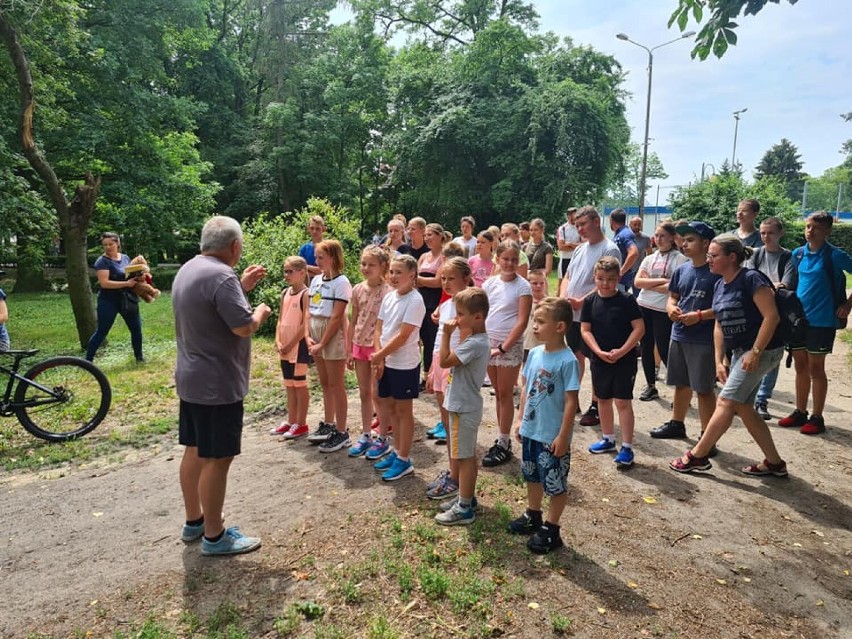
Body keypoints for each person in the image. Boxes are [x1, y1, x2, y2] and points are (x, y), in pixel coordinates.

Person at [174, 215, 272, 555]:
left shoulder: (190, 268)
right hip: (217, 384)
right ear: (234, 246)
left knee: (196, 449)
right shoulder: (221, 276)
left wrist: (240, 288)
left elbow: (212, 308)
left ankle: (195, 522)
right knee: (218, 457)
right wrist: (260, 311)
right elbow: (243, 326)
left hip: (192, 378)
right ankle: (215, 537)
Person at [670, 234, 788, 477]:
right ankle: (775, 463)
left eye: (714, 255)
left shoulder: (751, 279)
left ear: (731, 257)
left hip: (763, 350)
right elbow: (720, 322)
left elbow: (771, 317)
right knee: (743, 407)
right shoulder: (719, 283)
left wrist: (755, 353)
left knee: (725, 401)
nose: (709, 259)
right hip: (740, 351)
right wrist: (718, 360)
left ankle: (697, 456)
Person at [508, 297, 580, 554]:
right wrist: (519, 419)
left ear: (560, 327)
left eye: (540, 322)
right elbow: (526, 387)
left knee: (555, 482)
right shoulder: (536, 353)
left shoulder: (568, 360)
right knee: (532, 474)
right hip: (531, 430)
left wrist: (563, 436)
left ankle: (552, 527)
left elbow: (571, 401)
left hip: (552, 435)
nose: (534, 327)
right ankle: (534, 514)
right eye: (533, 321)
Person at [779, 211, 852, 435]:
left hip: (822, 320)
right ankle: (800, 411)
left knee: (816, 368)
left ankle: (817, 416)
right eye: (808, 226)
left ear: (827, 231)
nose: (810, 231)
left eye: (816, 228)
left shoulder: (834, 255)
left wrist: (848, 305)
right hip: (798, 320)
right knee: (800, 366)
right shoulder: (798, 254)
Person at [649, 221, 719, 442]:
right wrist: (670, 308)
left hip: (704, 339)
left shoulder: (717, 272)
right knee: (681, 383)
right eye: (683, 240)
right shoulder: (682, 270)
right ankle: (677, 424)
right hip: (679, 334)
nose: (684, 244)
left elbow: (723, 307)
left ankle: (707, 435)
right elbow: (673, 296)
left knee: (704, 388)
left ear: (706, 243)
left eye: (690, 240)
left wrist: (699, 316)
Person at [432, 287, 491, 525]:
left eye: (460, 314)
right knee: (465, 456)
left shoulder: (475, 343)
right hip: (462, 403)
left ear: (477, 317)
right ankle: (466, 498)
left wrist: (446, 333)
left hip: (464, 405)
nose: (456, 319)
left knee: (465, 458)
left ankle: (464, 507)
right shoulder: (475, 340)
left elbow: (445, 360)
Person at [558, 206, 621, 426]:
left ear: (596, 222)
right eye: (577, 225)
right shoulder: (579, 249)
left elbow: (606, 284)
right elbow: (567, 275)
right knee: (575, 357)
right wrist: (564, 296)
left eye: (583, 224)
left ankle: (596, 404)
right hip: (572, 313)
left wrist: (582, 301)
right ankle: (572, 399)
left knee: (595, 359)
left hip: (595, 313)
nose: (580, 229)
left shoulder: (609, 249)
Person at [582, 257, 644, 467]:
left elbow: (639, 328)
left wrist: (623, 351)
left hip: (623, 360)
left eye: (610, 279)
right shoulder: (590, 301)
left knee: (623, 402)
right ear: (594, 278)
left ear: (618, 278)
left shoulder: (626, 300)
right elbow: (585, 330)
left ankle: (627, 446)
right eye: (600, 279)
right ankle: (608, 438)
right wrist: (598, 351)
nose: (605, 283)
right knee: (602, 399)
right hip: (600, 359)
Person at [372, 254, 426, 480]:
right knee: (390, 408)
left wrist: (379, 355)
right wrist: (381, 357)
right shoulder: (389, 297)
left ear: (412, 275)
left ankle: (404, 459)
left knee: (404, 412)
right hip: (387, 361)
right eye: (391, 272)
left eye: (399, 272)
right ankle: (396, 451)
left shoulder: (415, 300)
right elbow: (379, 329)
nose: (393, 276)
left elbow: (404, 335)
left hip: (404, 364)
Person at [481, 241, 532, 467]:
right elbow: (482, 313)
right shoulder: (489, 284)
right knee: (498, 392)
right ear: (498, 259)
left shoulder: (523, 287)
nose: (510, 263)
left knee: (505, 393)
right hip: (488, 342)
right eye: (505, 259)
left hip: (508, 345)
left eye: (514, 259)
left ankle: (504, 440)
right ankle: (502, 438)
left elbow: (522, 321)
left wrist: (503, 347)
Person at [746, 216, 796, 419]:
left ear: (780, 234)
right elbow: (748, 280)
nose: (766, 237)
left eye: (771, 233)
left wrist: (764, 287)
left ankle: (762, 400)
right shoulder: (756, 254)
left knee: (771, 357)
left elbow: (787, 284)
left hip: (776, 313)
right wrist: (768, 287)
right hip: (754, 312)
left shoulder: (788, 257)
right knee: (750, 353)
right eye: (763, 233)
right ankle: (747, 398)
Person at [633, 222, 689, 402]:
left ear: (673, 237)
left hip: (663, 310)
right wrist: (663, 282)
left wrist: (653, 283)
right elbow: (637, 282)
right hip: (644, 306)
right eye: (656, 235)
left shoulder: (680, 259)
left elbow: (676, 287)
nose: (658, 239)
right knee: (646, 347)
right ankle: (650, 385)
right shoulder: (649, 258)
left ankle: (680, 388)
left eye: (662, 235)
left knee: (665, 349)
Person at [306, 240, 352, 452]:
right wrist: (308, 336)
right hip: (315, 330)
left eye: (321, 257)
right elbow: (309, 309)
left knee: (336, 383)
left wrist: (323, 342)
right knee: (324, 382)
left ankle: (342, 431)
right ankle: (328, 423)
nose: (317, 261)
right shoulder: (316, 280)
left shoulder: (341, 282)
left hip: (331, 335)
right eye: (316, 257)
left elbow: (336, 317)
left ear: (332, 258)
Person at [346, 246, 391, 457]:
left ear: (383, 266)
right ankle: (366, 434)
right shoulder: (357, 289)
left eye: (371, 264)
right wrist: (349, 349)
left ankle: (383, 436)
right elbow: (353, 319)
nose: (366, 268)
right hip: (358, 345)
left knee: (377, 393)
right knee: (364, 392)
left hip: (377, 349)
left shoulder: (388, 292)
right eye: (363, 263)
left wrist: (381, 354)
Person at [425, 258, 472, 458]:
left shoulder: (468, 305)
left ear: (466, 278)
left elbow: (466, 342)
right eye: (443, 278)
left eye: (451, 278)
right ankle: (453, 458)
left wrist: (454, 365)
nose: (446, 283)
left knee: (455, 414)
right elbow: (438, 339)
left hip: (454, 363)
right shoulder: (445, 306)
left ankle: (460, 458)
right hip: (439, 360)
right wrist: (430, 369)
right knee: (443, 410)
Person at [85, 232, 145, 363]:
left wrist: (138, 277)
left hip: (127, 299)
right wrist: (126, 283)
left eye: (110, 244)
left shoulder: (125, 258)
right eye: (105, 245)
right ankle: (87, 361)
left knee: (136, 329)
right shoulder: (102, 262)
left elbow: (129, 274)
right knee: (102, 331)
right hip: (108, 300)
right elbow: (104, 283)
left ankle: (139, 358)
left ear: (118, 243)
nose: (108, 247)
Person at [269, 257, 311, 438]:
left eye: (290, 271)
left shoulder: (306, 294)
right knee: (289, 385)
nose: (286, 275)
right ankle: (291, 420)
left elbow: (305, 325)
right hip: (284, 347)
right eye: (285, 271)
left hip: (298, 346)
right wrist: (278, 341)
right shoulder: (285, 292)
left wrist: (290, 343)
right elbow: (280, 319)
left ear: (302, 272)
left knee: (300, 384)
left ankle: (301, 423)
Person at [417, 223, 446, 384]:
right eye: (425, 235)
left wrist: (418, 280)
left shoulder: (444, 257)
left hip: (434, 302)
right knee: (421, 338)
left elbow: (437, 282)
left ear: (440, 236)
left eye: (430, 235)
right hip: (420, 301)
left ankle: (433, 373)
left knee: (432, 339)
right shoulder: (423, 257)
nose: (427, 238)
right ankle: (424, 372)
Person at [609, 208, 639, 293]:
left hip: (621, 281)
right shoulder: (619, 234)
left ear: (611, 220)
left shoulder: (625, 233)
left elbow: (634, 253)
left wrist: (621, 272)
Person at [523, 270, 548, 359]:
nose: (539, 286)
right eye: (534, 283)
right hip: (527, 344)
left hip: (544, 344)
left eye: (542, 283)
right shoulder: (524, 302)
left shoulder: (549, 303)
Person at [556, 208, 581, 279]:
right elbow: (561, 247)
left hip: (577, 258)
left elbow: (584, 245)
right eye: (574, 215)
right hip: (565, 259)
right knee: (563, 281)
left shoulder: (580, 228)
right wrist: (577, 246)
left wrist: (570, 244)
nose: (577, 217)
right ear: (569, 216)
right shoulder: (562, 229)